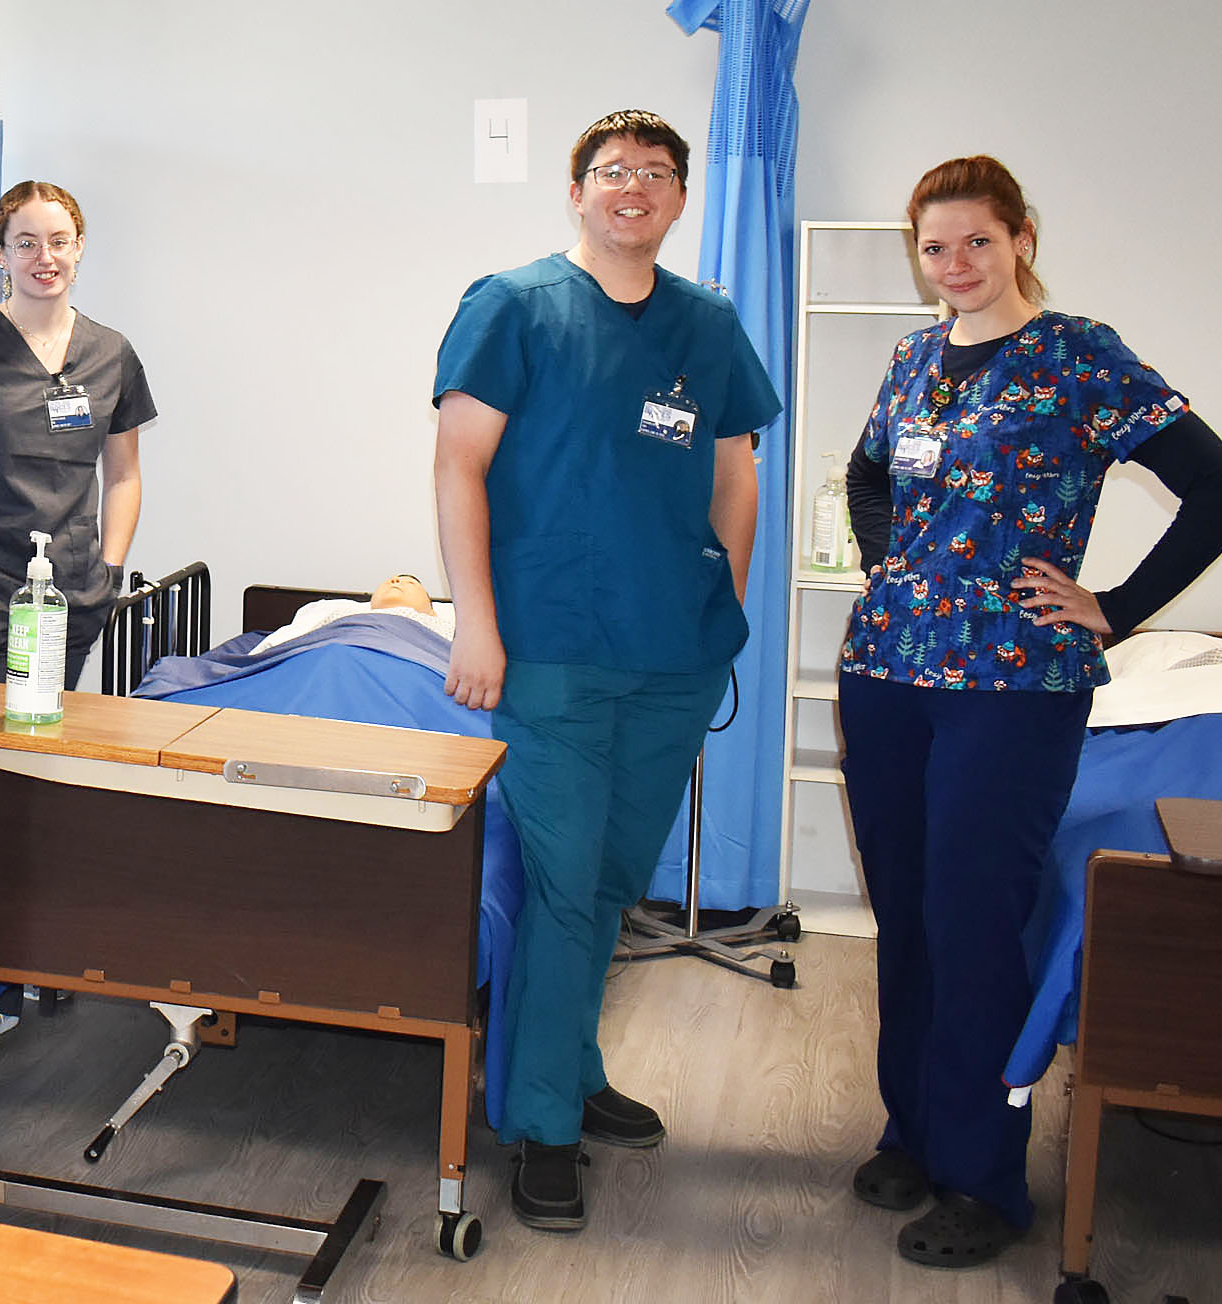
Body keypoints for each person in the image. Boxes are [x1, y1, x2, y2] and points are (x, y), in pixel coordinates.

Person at [836, 155, 1222, 1269]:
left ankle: (984, 1177)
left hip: (1014, 686)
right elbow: (867, 473)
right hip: (886, 672)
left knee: (977, 922)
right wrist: (890, 562)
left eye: (976, 240)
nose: (955, 264)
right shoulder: (914, 358)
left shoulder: (1080, 355)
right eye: (934, 247)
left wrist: (1114, 606)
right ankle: (914, 1132)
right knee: (910, 913)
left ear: (1022, 236)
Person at [431, 110, 775, 1234]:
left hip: (673, 656)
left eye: (657, 174)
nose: (635, 188)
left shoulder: (708, 323)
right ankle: (540, 1122)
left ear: (679, 200)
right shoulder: (515, 307)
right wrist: (475, 625)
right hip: (553, 653)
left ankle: (570, 1065)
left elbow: (736, 470)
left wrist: (719, 600)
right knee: (567, 886)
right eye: (614, 171)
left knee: (614, 880)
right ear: (577, 191)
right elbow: (458, 464)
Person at [0, 180, 157, 690]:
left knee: (41, 749)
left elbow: (123, 475)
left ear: (79, 247)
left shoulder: (111, 353)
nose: (44, 257)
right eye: (25, 243)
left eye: (59, 241)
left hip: (68, 597)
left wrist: (109, 573)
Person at [252, 574, 450, 654]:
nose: (396, 581)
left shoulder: (445, 629)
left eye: (409, 583)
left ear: (430, 608)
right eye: (391, 581)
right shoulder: (342, 616)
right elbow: (295, 646)